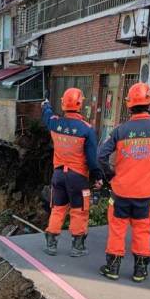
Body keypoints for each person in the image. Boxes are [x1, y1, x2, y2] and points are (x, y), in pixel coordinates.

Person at [98, 82, 150, 282]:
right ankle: (140, 271)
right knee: (143, 231)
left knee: (117, 230)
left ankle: (113, 268)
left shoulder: (120, 130)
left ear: (129, 104)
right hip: (147, 194)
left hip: (121, 192)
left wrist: (111, 176)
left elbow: (101, 156)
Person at [41, 88, 103, 257]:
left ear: (63, 103)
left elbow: (47, 115)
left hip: (59, 174)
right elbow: (92, 159)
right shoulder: (87, 129)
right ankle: (77, 246)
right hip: (78, 177)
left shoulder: (55, 123)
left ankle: (51, 243)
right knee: (79, 210)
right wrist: (97, 176)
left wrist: (45, 104)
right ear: (80, 104)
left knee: (58, 208)